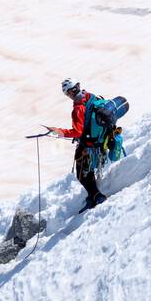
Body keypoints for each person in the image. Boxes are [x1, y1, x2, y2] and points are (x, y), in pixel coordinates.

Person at [50, 78, 107, 212]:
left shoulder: (77, 108)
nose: (68, 96)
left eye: (67, 93)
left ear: (70, 91)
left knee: (81, 175)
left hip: (88, 145)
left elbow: (77, 131)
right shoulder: (90, 96)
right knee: (88, 171)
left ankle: (97, 196)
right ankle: (92, 195)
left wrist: (60, 132)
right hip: (99, 140)